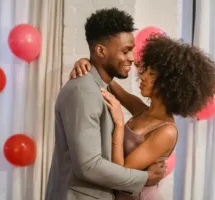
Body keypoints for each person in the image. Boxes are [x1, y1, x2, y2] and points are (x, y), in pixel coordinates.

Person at [70, 35, 215, 199]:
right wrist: (89, 64)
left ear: (170, 84)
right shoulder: (142, 110)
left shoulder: (167, 131)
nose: (143, 76)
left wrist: (120, 124)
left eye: (152, 74)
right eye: (146, 70)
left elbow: (121, 173)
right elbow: (110, 84)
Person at [45, 8, 166, 200]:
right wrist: (144, 178)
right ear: (101, 50)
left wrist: (90, 63)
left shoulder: (100, 85)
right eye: (125, 51)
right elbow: (88, 165)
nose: (132, 58)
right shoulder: (82, 90)